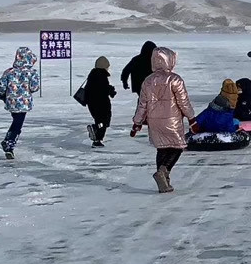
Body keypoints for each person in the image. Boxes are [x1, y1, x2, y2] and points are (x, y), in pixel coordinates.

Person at [131, 48, 197, 193]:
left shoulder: (147, 81)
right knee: (177, 146)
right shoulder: (175, 79)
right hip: (172, 120)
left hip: (154, 121)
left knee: (161, 148)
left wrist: (137, 123)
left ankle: (164, 181)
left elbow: (142, 104)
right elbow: (183, 102)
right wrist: (192, 119)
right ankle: (164, 170)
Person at [0, 47, 41, 160]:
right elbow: (34, 87)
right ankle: (9, 144)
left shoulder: (9, 72)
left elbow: (2, 86)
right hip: (24, 103)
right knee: (18, 124)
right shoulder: (32, 73)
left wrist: (3, 96)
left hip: (11, 101)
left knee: (16, 121)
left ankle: (7, 140)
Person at [82, 56, 118, 147]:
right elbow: (102, 89)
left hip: (92, 103)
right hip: (101, 103)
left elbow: (93, 88)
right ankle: (97, 136)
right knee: (103, 122)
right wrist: (111, 90)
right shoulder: (101, 76)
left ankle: (96, 132)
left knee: (100, 120)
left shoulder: (93, 75)